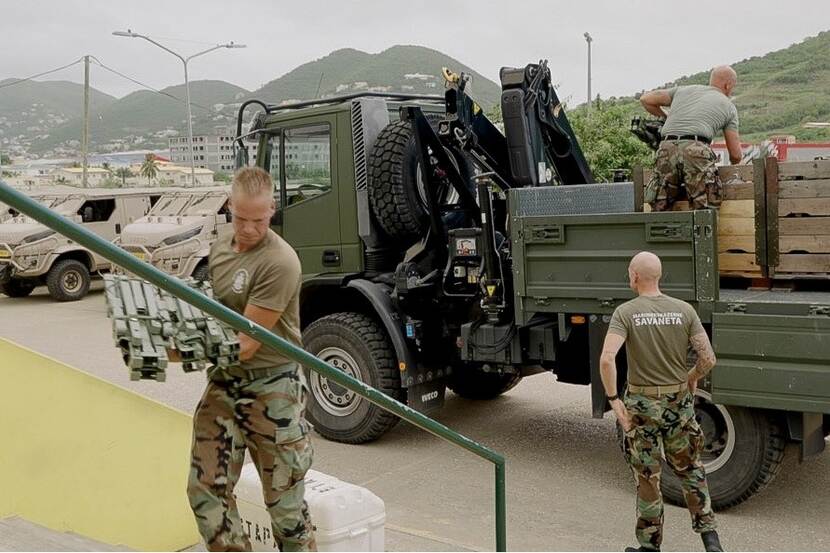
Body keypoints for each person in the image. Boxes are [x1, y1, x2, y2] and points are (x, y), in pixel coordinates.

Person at [185, 167, 316, 551]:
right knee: (206, 490)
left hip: (272, 386)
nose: (247, 229)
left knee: (285, 511)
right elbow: (216, 309)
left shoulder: (280, 261)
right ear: (230, 207)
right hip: (226, 380)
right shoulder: (221, 246)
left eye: (257, 220)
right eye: (240, 218)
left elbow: (246, 344)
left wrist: (180, 349)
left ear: (272, 209)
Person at [599, 252, 722, 552]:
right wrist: (691, 377)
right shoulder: (684, 311)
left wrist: (614, 400)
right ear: (659, 276)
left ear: (635, 276)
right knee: (692, 470)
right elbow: (708, 359)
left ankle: (650, 547)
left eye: (630, 272)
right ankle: (711, 542)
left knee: (647, 476)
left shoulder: (625, 313)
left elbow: (606, 359)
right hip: (679, 403)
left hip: (642, 406)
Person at [640, 65, 742, 211]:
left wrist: (666, 117)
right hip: (697, 150)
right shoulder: (729, 106)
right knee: (705, 210)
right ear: (728, 85)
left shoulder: (683, 90)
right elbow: (736, 155)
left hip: (666, 148)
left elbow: (646, 99)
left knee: (660, 206)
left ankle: (661, 231)